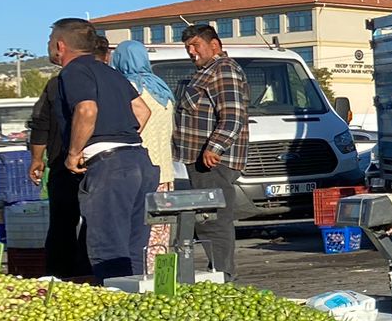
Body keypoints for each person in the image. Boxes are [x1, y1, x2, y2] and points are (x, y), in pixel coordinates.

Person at [47, 18, 157, 283]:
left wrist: (74, 153)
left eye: (50, 42)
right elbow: (143, 111)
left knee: (107, 248)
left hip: (109, 167)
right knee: (133, 247)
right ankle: (137, 309)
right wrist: (119, 136)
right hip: (139, 159)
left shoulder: (73, 72)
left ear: (60, 46)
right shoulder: (110, 71)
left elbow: (87, 109)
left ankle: (116, 308)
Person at [172, 24, 249, 279]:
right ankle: (217, 272)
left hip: (213, 162)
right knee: (206, 220)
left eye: (195, 45)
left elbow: (233, 116)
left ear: (214, 45)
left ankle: (223, 276)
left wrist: (214, 148)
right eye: (187, 47)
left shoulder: (223, 69)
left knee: (214, 221)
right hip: (196, 161)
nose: (191, 52)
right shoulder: (204, 72)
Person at [112, 40, 177, 265]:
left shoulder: (126, 89)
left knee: (136, 232)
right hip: (165, 173)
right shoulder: (162, 90)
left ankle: (139, 278)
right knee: (161, 233)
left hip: (137, 172)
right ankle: (160, 279)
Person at [26, 76, 85, 278]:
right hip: (94, 163)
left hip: (63, 162)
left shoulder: (57, 83)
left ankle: (60, 276)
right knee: (92, 222)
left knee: (62, 223)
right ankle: (87, 273)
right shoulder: (110, 80)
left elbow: (40, 123)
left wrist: (36, 158)